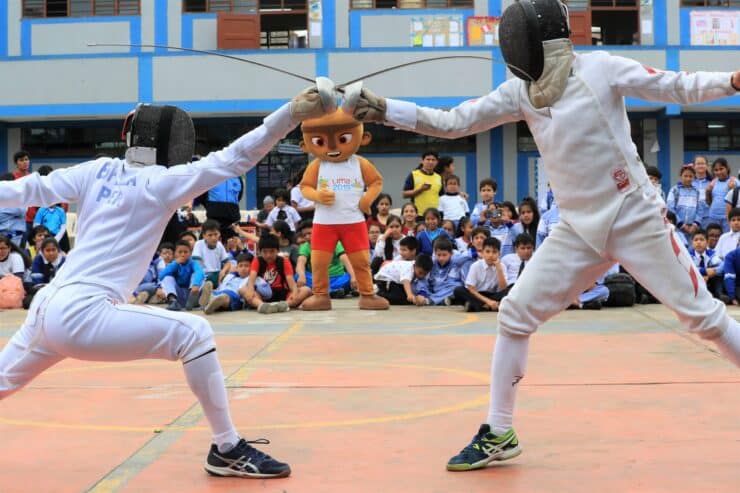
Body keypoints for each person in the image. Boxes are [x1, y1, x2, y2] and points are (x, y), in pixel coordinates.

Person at [350, 0, 740, 471]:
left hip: (635, 216)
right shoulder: (518, 92)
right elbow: (454, 122)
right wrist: (385, 109)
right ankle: (499, 430)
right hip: (577, 230)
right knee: (514, 313)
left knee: (705, 319)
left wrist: (731, 82)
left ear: (540, 41)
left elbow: (675, 85)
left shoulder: (601, 68)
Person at [0, 86, 331, 478]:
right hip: (82, 315)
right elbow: (234, 158)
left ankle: (226, 448)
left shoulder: (98, 169)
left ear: (130, 135)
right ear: (175, 141)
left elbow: (23, 190)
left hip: (45, 309)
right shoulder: (162, 182)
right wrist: (291, 114)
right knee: (195, 333)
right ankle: (225, 447)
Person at [241, 233, 311, 313]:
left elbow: (291, 281)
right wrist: (250, 290)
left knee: (306, 290)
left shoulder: (284, 261)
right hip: (263, 295)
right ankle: (261, 305)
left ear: (278, 251)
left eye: (272, 251)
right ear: (260, 251)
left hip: (282, 294)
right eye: (265, 252)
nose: (268, 255)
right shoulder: (257, 261)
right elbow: (251, 279)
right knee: (243, 290)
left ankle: (285, 305)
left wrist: (294, 293)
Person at [454, 237, 509, 312]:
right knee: (458, 290)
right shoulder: (476, 266)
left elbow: (504, 288)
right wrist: (488, 301)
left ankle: (477, 306)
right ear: (482, 253)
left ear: (499, 254)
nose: (490, 255)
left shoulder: (502, 266)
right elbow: (471, 289)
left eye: (494, 252)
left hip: (493, 295)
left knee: (511, 288)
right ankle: (487, 305)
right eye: (487, 252)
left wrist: (499, 269)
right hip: (478, 294)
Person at [201, 174, 243, 241]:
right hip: (213, 221)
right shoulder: (211, 176)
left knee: (232, 247)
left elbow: (239, 196)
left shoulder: (237, 177)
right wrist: (212, 207)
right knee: (209, 246)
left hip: (232, 221)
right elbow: (202, 195)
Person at [402, 151, 443, 217]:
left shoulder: (439, 177)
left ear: (437, 162)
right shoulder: (414, 174)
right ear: (422, 161)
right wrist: (420, 189)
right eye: (428, 159)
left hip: (435, 215)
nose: (430, 162)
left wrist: (459, 194)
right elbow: (404, 194)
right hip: (418, 214)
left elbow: (442, 196)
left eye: (433, 160)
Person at [666, 164, 701, 238]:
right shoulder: (674, 190)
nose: (688, 179)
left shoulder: (696, 192)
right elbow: (670, 208)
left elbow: (700, 210)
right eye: (685, 176)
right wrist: (681, 224)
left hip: (692, 229)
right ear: (680, 176)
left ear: (694, 177)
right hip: (678, 228)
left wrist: (695, 224)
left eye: (690, 176)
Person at [192, 219, 229, 289]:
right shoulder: (199, 244)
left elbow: (227, 263)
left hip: (217, 275)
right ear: (204, 236)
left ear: (219, 234)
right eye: (210, 235)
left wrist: (223, 271)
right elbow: (197, 265)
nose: (213, 238)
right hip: (204, 275)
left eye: (216, 234)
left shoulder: (219, 245)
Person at [705, 157, 736, 232]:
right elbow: (709, 201)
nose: (719, 172)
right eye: (716, 170)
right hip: (713, 217)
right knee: (714, 239)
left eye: (721, 169)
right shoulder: (714, 182)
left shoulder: (734, 181)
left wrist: (733, 190)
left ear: (727, 168)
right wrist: (707, 191)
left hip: (727, 218)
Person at [0, 173, 26, 246]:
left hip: (18, 236)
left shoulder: (19, 195)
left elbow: (22, 211)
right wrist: (13, 212)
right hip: (1, 236)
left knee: (17, 256)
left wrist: (3, 211)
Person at [692, 155, 712, 228]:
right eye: (698, 164)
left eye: (703, 163)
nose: (700, 166)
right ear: (694, 166)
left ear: (707, 166)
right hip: (693, 218)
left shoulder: (713, 182)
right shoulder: (689, 183)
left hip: (709, 217)